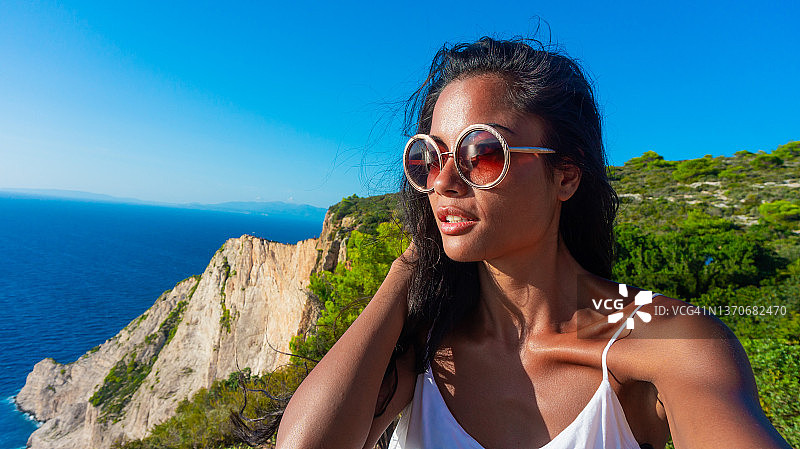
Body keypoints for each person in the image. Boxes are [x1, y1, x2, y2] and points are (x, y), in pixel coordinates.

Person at [275, 37, 791, 449]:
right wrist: (408, 269)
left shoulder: (660, 343)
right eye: (428, 157)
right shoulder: (423, 349)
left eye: (483, 152)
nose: (444, 181)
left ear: (565, 175)